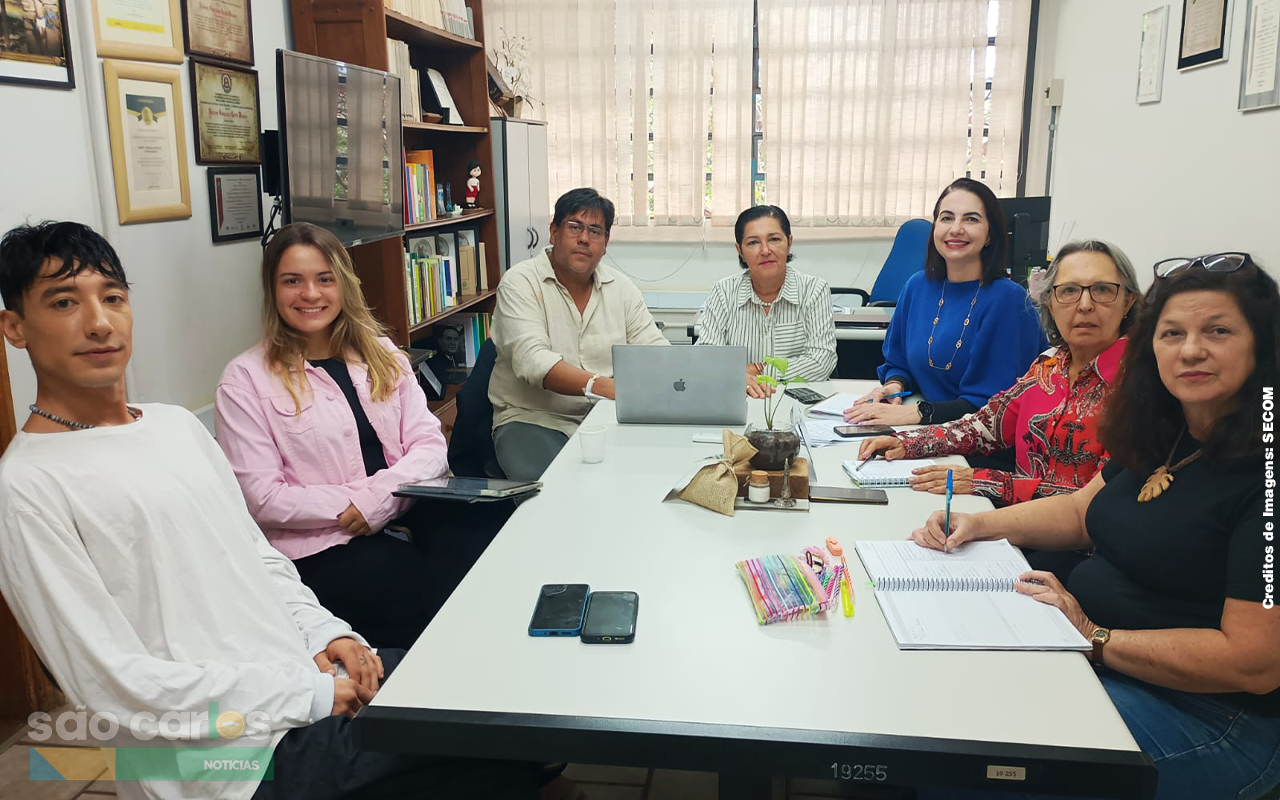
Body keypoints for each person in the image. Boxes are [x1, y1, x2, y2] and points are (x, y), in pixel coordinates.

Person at [0, 221, 540, 800]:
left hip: (305, 676)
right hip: (237, 759)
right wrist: (308, 695)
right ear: (15, 328)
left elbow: (259, 559)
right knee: (512, 740)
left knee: (528, 711)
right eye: (63, 302)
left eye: (112, 298)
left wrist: (331, 635)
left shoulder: (173, 426)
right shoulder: (30, 486)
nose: (99, 322)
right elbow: (113, 685)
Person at [911, 252, 1280, 800]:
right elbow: (1084, 512)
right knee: (942, 707)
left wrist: (1094, 637)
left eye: (1218, 330)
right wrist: (976, 523)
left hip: (1212, 717)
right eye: (1172, 332)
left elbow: (1253, 663)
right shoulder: (1167, 429)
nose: (1191, 349)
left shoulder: (1265, 473)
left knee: (971, 761)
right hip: (1098, 661)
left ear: (1262, 344)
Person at [216, 222, 496, 651]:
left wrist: (379, 500)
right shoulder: (244, 380)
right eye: (293, 281)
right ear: (273, 290)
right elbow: (263, 499)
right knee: (415, 593)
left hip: (407, 507)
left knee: (488, 544)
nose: (311, 294)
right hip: (322, 542)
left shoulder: (381, 352)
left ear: (344, 285)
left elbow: (430, 445)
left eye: (324, 279)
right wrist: (357, 505)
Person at [857, 240, 1140, 507]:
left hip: (1075, 549)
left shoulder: (1140, 386)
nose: (1085, 304)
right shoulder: (1048, 366)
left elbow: (1094, 504)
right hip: (1018, 525)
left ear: (1128, 302)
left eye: (1102, 290)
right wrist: (906, 443)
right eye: (1069, 291)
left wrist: (981, 480)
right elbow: (984, 428)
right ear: (1050, 304)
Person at [489, 187, 667, 480]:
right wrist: (604, 387)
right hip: (534, 420)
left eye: (595, 231)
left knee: (646, 482)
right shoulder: (519, 283)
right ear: (554, 231)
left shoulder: (621, 289)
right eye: (574, 227)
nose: (584, 238)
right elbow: (534, 362)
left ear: (606, 243)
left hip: (610, 418)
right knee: (555, 496)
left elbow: (655, 351)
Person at [844, 178, 1046, 427]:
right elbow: (899, 361)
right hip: (929, 430)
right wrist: (893, 387)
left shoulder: (1009, 301)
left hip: (981, 447)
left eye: (971, 219)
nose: (956, 229)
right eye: (947, 218)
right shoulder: (917, 286)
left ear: (990, 234)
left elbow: (995, 408)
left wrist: (918, 414)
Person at [695, 205, 837, 397]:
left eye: (774, 239)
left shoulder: (814, 290)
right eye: (753, 242)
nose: (765, 250)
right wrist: (737, 376)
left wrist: (759, 370)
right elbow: (706, 358)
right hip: (739, 399)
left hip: (796, 400)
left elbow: (822, 361)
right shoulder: (723, 292)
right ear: (740, 251)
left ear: (789, 243)